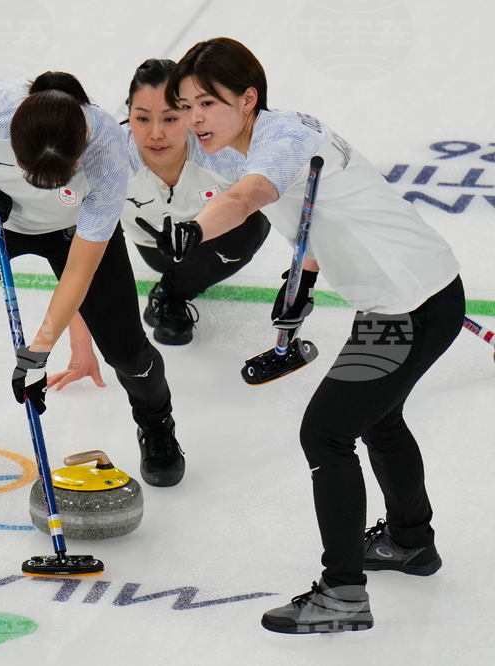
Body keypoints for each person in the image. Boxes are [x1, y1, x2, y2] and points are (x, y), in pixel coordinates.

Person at [161, 37, 464, 633]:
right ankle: (410, 541)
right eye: (186, 104)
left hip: (409, 307)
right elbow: (315, 211)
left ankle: (343, 592)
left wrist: (193, 231)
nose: (195, 118)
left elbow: (249, 197)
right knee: (378, 419)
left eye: (208, 103)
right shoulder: (239, 144)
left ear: (248, 99)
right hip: (406, 297)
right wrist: (304, 276)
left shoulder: (285, 138)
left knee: (325, 433)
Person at [0, 69, 185, 487]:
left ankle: (156, 421)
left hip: (71, 230)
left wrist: (36, 354)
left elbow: (78, 272)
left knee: (128, 353)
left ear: (79, 156)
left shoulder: (109, 156)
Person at [48, 58, 270, 393]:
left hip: (208, 245)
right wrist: (81, 348)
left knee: (254, 222)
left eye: (170, 117)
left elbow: (284, 204)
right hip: (155, 251)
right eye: (142, 118)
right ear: (128, 113)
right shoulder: (106, 161)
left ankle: (170, 295)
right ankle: (171, 285)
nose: (155, 133)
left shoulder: (225, 152)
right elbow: (77, 258)